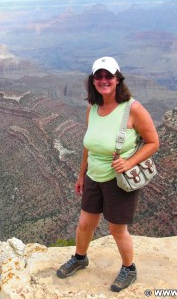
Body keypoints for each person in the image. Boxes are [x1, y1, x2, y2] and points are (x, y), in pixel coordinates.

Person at [56, 57, 159, 292]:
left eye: (108, 76)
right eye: (98, 76)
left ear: (117, 79)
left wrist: (130, 161)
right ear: (92, 81)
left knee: (116, 229)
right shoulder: (92, 109)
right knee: (84, 224)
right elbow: (88, 146)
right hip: (94, 176)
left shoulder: (133, 109)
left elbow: (153, 142)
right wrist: (82, 175)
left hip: (118, 180)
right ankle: (80, 258)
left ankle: (128, 269)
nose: (104, 80)